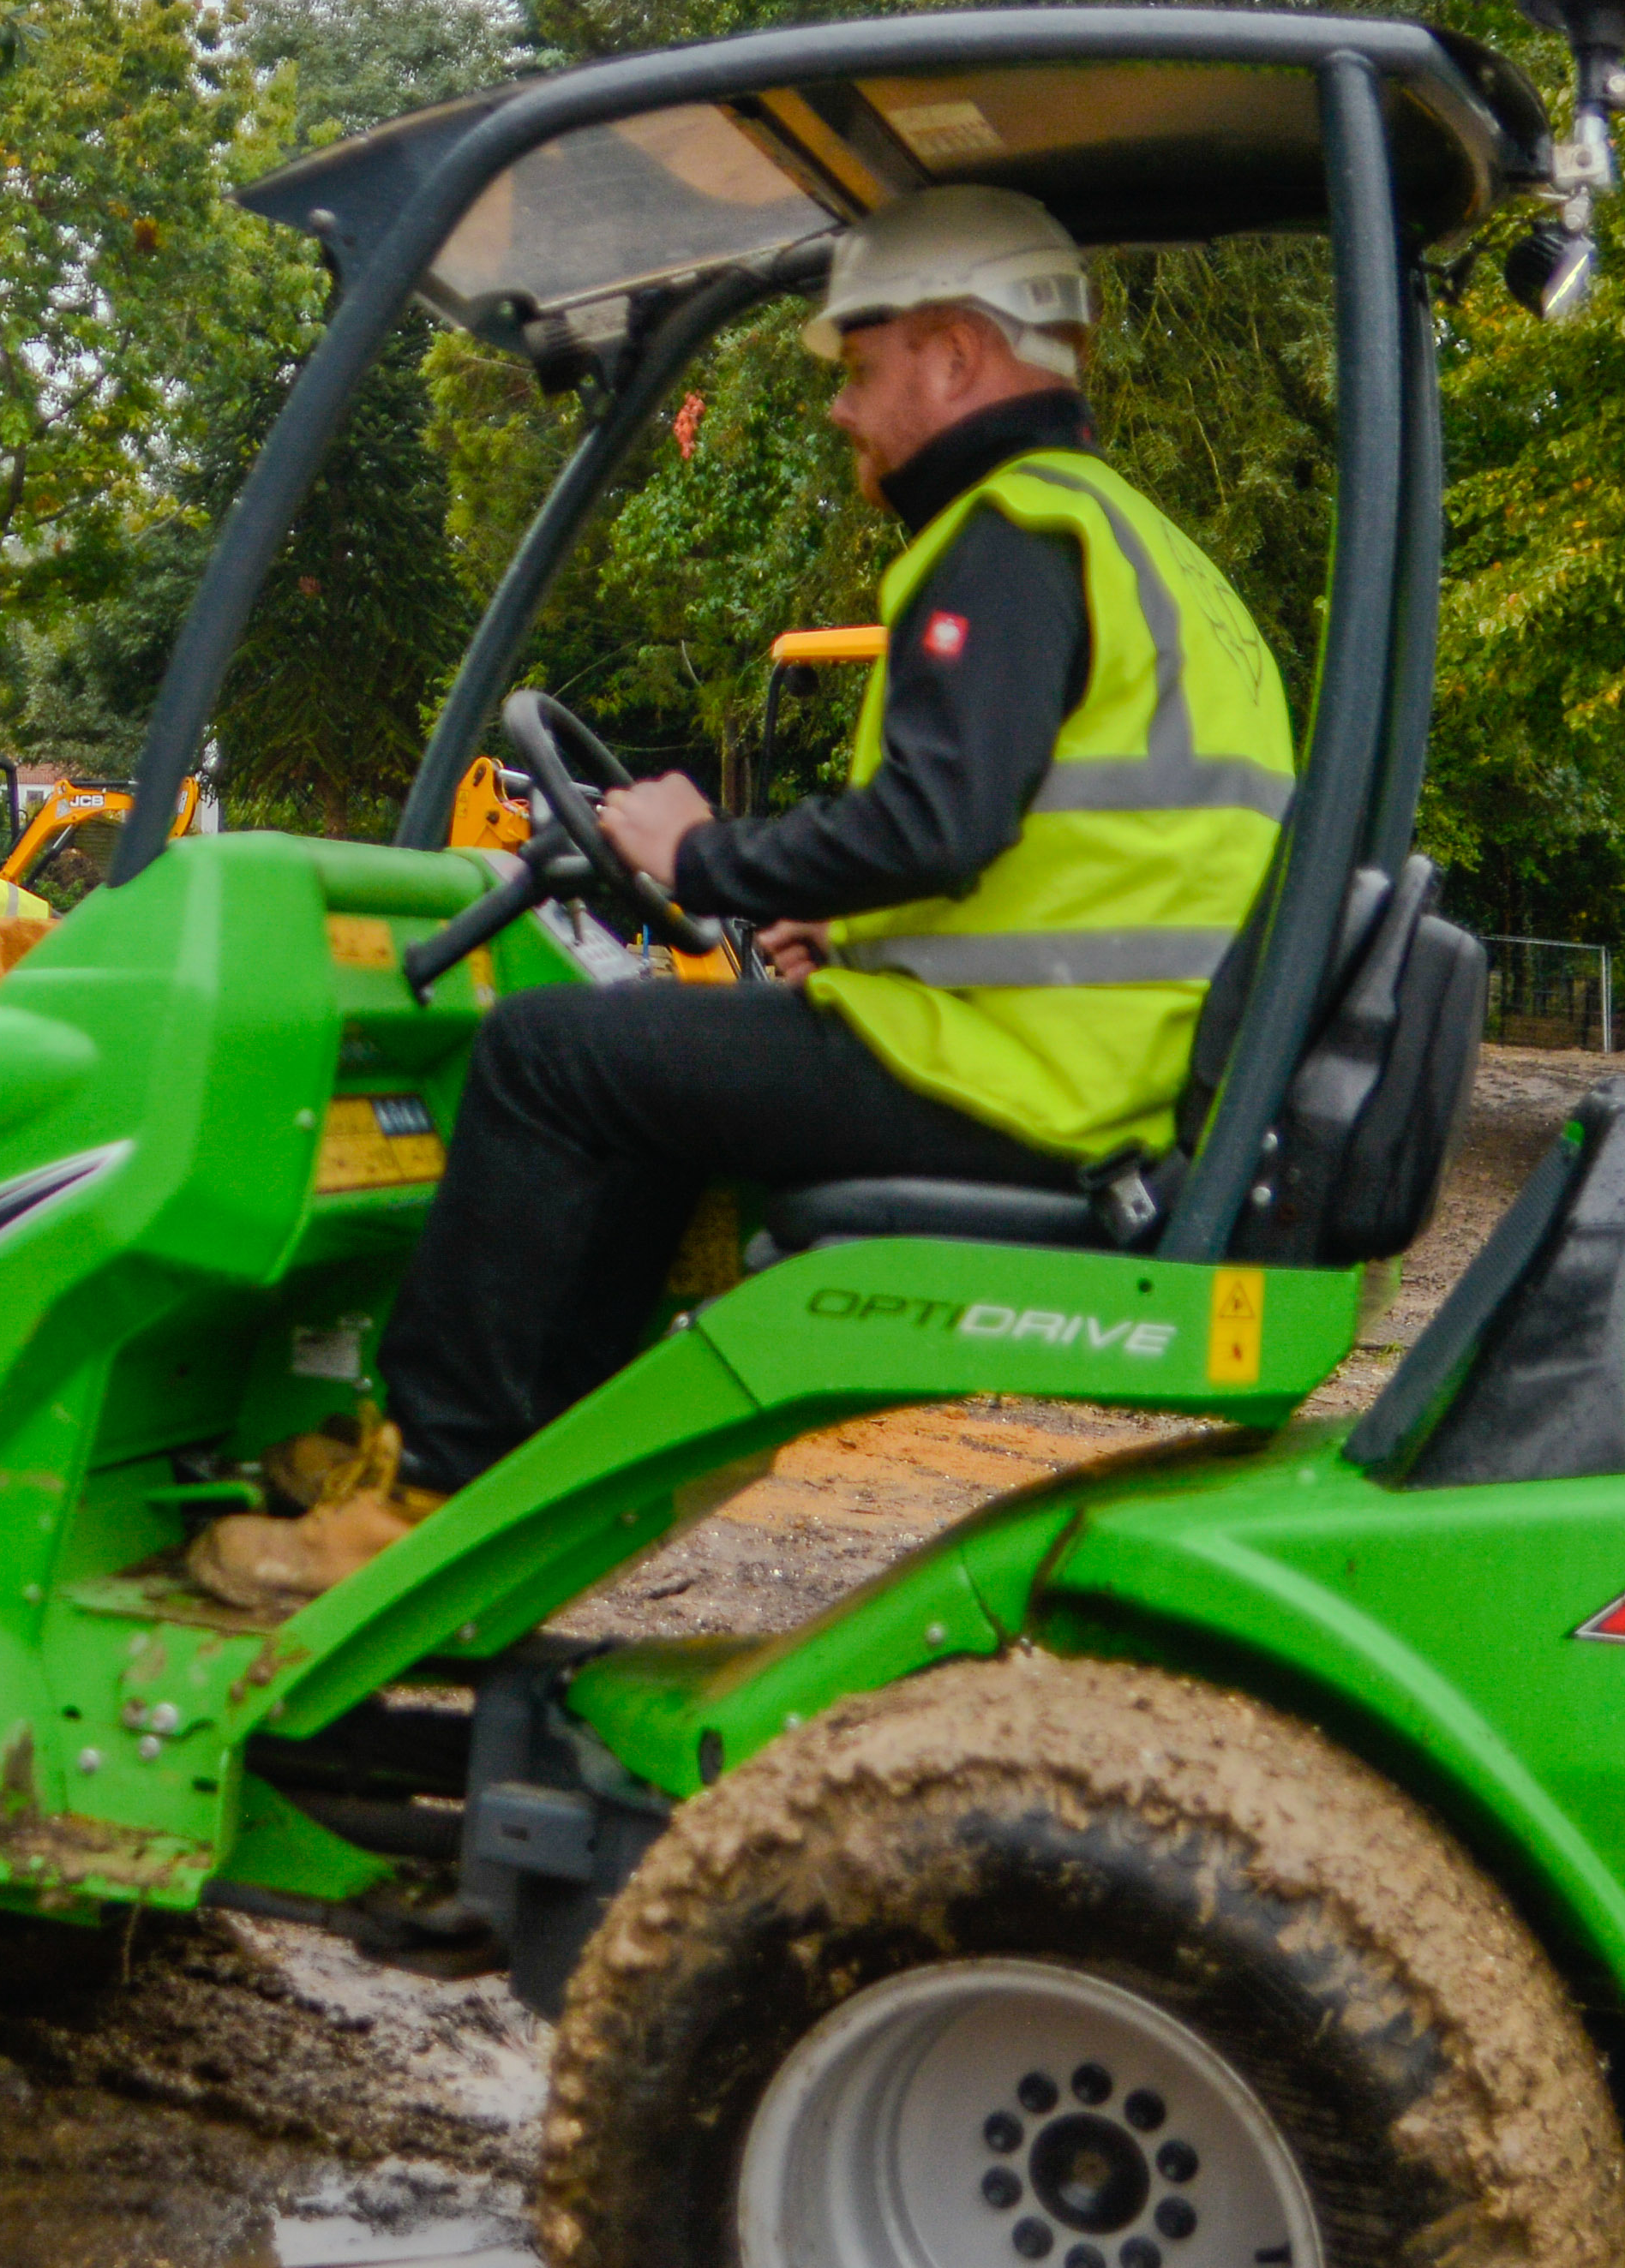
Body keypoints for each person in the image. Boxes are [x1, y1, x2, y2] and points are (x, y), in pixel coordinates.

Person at [195, 187, 1295, 1608]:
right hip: (1093, 1073)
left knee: (546, 1057)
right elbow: (1078, 845)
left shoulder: (1006, 533)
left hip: (1019, 1088)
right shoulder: (1147, 551)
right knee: (647, 1069)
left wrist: (699, 854)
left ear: (955, 352)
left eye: (858, 363)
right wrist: (851, 923)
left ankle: (421, 1490)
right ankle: (520, 1452)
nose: (843, 409)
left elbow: (942, 821)